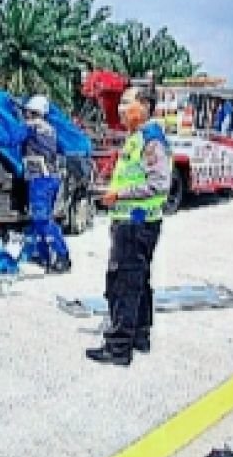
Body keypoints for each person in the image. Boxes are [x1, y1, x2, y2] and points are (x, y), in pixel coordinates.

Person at [90, 99, 171, 366]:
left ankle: (118, 347)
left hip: (135, 221)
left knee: (124, 283)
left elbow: (159, 184)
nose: (121, 108)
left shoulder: (150, 139)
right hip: (134, 218)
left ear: (144, 106)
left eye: (127, 102)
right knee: (138, 280)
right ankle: (139, 335)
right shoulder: (137, 138)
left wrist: (118, 195)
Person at [18, 94, 72, 274]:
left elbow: (11, 136)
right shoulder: (50, 129)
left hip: (41, 179)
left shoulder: (31, 127)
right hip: (50, 178)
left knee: (42, 219)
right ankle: (44, 257)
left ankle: (61, 256)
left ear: (33, 112)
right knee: (39, 219)